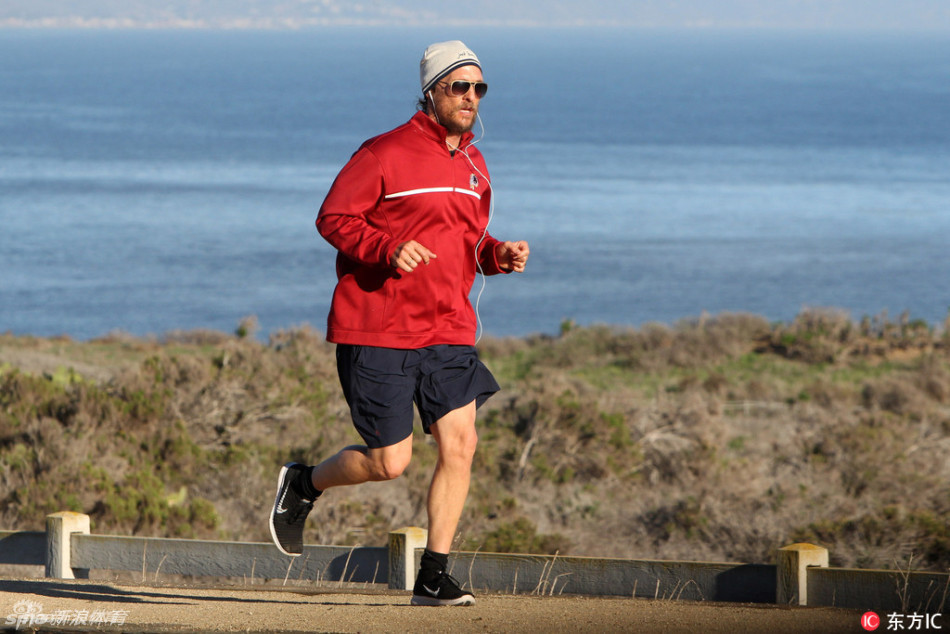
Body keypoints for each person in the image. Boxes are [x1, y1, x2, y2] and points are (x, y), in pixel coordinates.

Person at [269, 40, 529, 607]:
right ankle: (304, 483)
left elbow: (468, 242)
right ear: (432, 91)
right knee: (391, 462)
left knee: (461, 444)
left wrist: (496, 255)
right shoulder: (384, 152)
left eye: (479, 88)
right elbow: (333, 217)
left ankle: (433, 575)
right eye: (459, 87)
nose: (471, 98)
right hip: (379, 328)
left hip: (449, 328)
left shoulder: (475, 165)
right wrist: (387, 249)